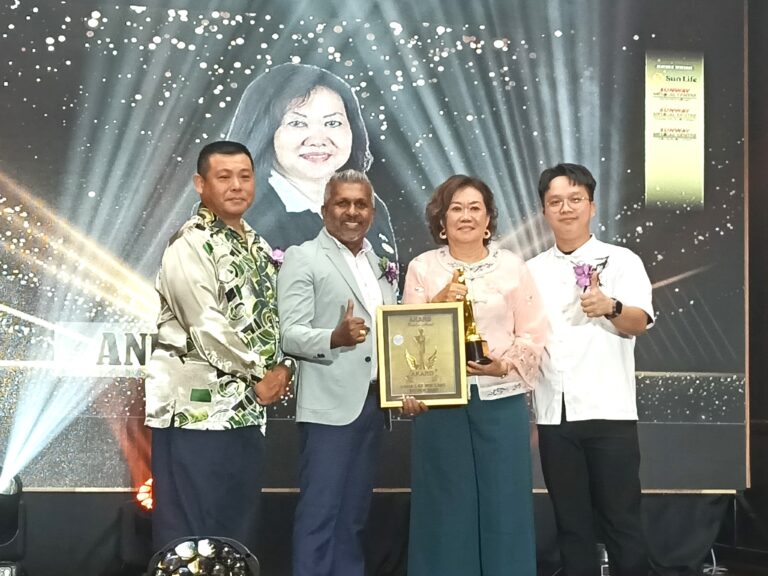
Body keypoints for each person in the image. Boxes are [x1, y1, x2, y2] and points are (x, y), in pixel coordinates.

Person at [144, 141, 295, 553]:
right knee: (191, 540)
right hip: (196, 414)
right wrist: (259, 372)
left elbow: (275, 321)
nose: (236, 186)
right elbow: (205, 325)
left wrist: (285, 366)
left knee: (234, 534)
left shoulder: (258, 246)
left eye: (244, 176)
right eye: (223, 177)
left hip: (245, 412)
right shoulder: (189, 244)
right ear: (200, 184)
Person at [401, 174, 547, 576]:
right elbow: (407, 336)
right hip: (440, 404)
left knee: (505, 503)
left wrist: (504, 365)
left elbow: (533, 333)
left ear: (488, 219)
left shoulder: (512, 267)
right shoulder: (422, 268)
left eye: (474, 208)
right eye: (456, 208)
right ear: (441, 220)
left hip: (501, 402)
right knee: (444, 505)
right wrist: (437, 301)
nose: (465, 216)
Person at [526, 163, 654, 576]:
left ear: (592, 207)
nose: (566, 209)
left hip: (609, 411)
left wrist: (610, 306)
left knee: (621, 521)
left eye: (575, 199)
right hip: (555, 415)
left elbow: (640, 321)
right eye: (556, 201)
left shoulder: (622, 260)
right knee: (571, 525)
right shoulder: (530, 271)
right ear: (544, 211)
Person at [277, 169, 398, 576]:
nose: (352, 212)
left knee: (353, 518)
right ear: (324, 208)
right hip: (329, 409)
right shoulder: (304, 257)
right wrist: (334, 337)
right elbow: (290, 335)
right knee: (320, 516)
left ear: (372, 212)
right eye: (342, 203)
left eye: (360, 204)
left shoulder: (379, 263)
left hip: (374, 404)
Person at [226, 62, 397, 260]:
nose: (318, 139)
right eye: (297, 123)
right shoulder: (237, 217)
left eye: (332, 123)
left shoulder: (368, 205)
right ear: (263, 131)